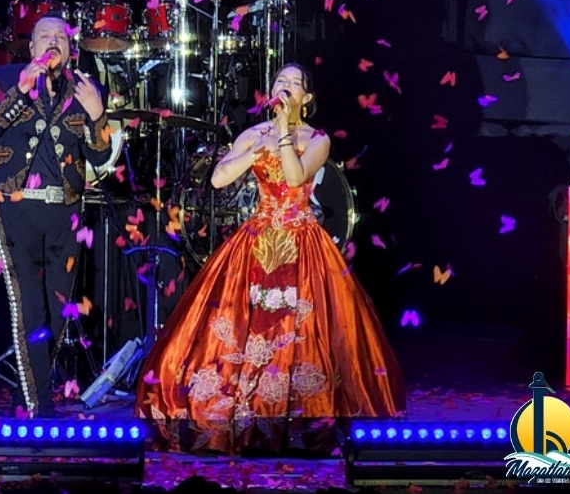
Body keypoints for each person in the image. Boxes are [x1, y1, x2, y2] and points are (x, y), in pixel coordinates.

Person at [134, 63, 405, 453]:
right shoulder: (252, 134)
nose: (286, 87)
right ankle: (239, 412)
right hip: (257, 238)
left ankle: (298, 418)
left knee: (303, 329)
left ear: (306, 99)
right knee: (240, 325)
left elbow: (295, 178)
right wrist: (254, 150)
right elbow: (219, 179)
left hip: (301, 241)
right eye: (281, 81)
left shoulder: (318, 139)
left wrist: (282, 136)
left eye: (295, 83)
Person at [0, 15, 112, 417]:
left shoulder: (85, 88)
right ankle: (39, 406)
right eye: (44, 36)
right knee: (29, 305)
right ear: (31, 48)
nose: (53, 41)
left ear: (70, 49)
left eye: (61, 37)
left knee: (58, 308)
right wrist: (19, 91)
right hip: (14, 205)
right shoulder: (3, 79)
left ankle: (28, 393)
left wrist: (98, 115)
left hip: (65, 209)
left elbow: (100, 155)